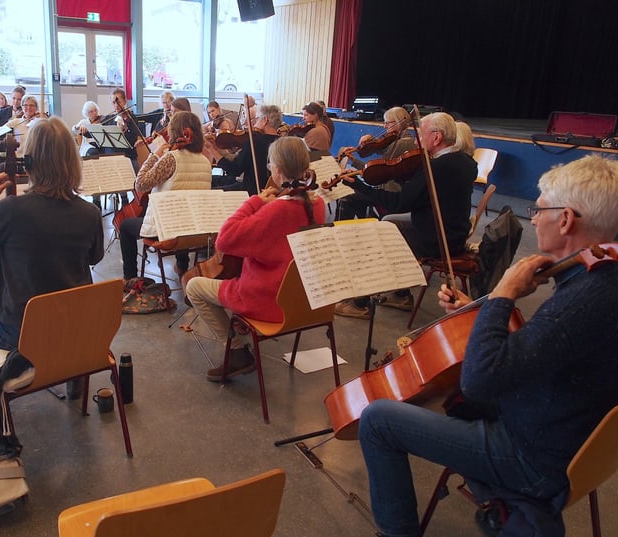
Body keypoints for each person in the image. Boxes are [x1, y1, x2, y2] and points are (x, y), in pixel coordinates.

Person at [358, 154, 618, 537]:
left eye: (539, 210)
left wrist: (502, 295)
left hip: (532, 457)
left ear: (566, 220)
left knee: (378, 420)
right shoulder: (601, 279)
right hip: (569, 436)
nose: (534, 219)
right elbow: (545, 350)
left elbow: (480, 380)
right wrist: (481, 314)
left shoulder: (584, 299)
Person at [0, 116, 104, 420]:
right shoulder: (90, 212)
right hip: (75, 328)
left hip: (21, 335)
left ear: (29, 161)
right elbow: (94, 257)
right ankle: (72, 375)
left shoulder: (10, 210)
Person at [186, 136, 326, 381]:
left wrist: (255, 202)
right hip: (302, 301)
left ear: (278, 169)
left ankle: (237, 351)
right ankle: (240, 330)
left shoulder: (276, 209)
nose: (269, 168)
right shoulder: (318, 204)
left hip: (267, 300)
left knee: (194, 286)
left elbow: (224, 240)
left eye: (271, 164)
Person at [335, 112, 476, 318]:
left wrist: (359, 186)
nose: (417, 139)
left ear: (437, 137)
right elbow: (422, 195)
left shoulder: (436, 167)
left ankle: (360, 304)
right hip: (453, 234)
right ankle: (401, 295)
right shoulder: (465, 161)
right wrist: (405, 177)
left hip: (435, 239)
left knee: (378, 233)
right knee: (390, 224)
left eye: (421, 134)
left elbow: (398, 203)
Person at [118, 111, 211, 281]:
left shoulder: (170, 158)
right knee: (183, 212)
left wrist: (155, 155)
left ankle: (129, 278)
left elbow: (140, 184)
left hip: (165, 231)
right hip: (194, 230)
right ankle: (182, 265)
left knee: (125, 226)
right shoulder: (205, 161)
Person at [203, 104, 282, 195]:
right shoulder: (283, 142)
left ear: (265, 120)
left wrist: (212, 150)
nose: (253, 123)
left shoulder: (254, 142)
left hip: (251, 192)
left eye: (256, 119)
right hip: (273, 192)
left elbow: (234, 170)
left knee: (210, 190)